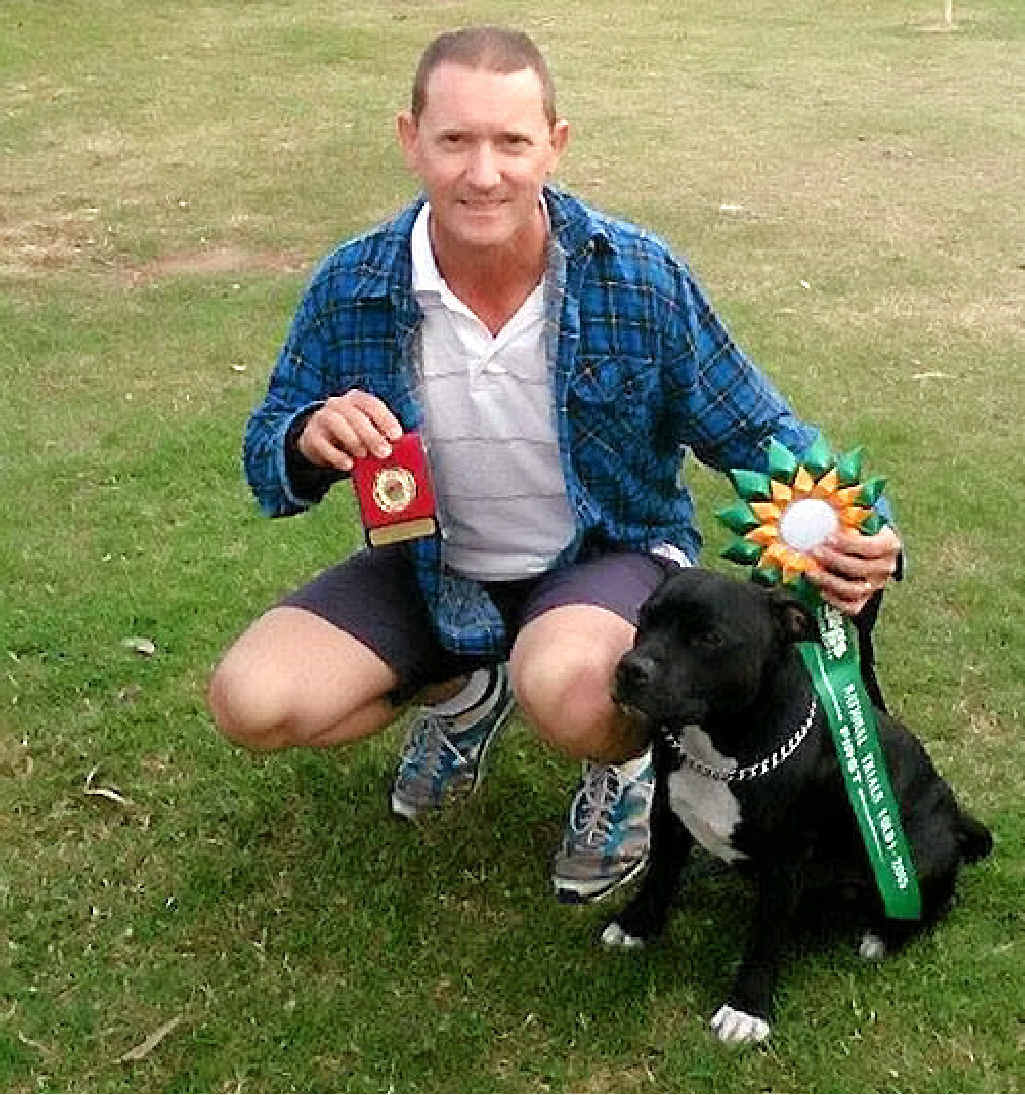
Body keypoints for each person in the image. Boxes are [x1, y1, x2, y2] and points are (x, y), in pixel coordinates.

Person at [207, 26, 903, 905]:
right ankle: (464, 691)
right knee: (253, 699)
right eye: (455, 139)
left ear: (555, 145)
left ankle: (621, 771)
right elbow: (266, 455)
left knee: (575, 690)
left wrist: (865, 532)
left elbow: (756, 428)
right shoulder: (351, 283)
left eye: (511, 141)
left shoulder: (637, 277)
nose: (483, 172)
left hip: (602, 566)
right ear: (409, 139)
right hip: (430, 567)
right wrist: (306, 436)